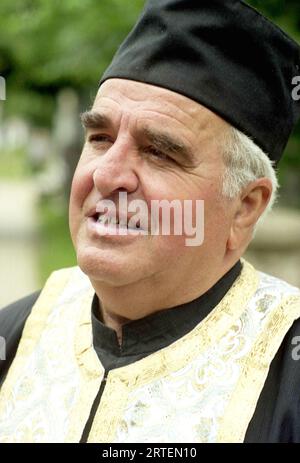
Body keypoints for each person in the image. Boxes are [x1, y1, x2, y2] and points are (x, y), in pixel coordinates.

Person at [0, 0, 300, 443]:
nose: (106, 174)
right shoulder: (18, 335)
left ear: (245, 207)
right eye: (100, 138)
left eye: (159, 152)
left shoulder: (286, 378)